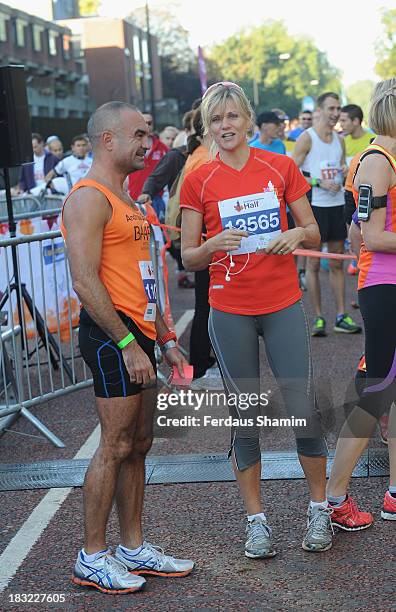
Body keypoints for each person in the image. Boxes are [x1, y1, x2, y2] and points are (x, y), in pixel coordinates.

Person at [181, 82, 333, 559]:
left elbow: (312, 228)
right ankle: (257, 522)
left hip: (283, 301)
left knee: (301, 408)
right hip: (229, 310)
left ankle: (319, 508)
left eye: (232, 117)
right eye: (216, 119)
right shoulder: (198, 178)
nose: (225, 126)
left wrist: (293, 234)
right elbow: (188, 257)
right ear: (208, 126)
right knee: (243, 417)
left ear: (248, 121)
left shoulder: (280, 165)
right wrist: (211, 245)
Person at [61, 101, 194, 594]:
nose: (147, 143)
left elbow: (145, 281)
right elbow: (84, 280)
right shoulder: (88, 198)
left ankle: (133, 545)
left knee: (139, 444)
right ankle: (91, 556)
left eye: (147, 134)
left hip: (139, 336)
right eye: (138, 135)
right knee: (114, 446)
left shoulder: (128, 200)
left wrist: (164, 338)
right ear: (108, 140)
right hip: (109, 336)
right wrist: (126, 343)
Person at [327, 78, 396, 528]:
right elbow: (371, 237)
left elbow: (357, 231)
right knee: (376, 394)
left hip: (385, 283)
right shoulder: (378, 159)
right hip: (386, 287)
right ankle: (333, 498)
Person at [293, 92, 362, 337]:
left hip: (335, 206)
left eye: (338, 109)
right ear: (320, 111)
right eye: (331, 109)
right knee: (312, 262)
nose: (335, 114)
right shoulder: (306, 139)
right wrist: (318, 182)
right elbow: (292, 173)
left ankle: (341, 316)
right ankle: (319, 318)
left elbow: (341, 168)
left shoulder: (339, 140)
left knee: (336, 261)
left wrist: (344, 171)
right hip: (314, 206)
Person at [128, 113, 169, 222]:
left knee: (157, 236)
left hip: (156, 200)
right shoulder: (128, 147)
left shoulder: (163, 148)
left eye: (149, 123)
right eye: (143, 123)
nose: (147, 126)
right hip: (133, 199)